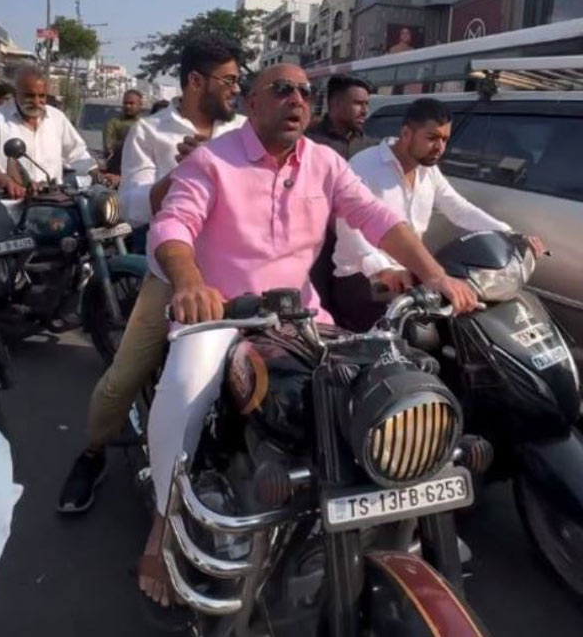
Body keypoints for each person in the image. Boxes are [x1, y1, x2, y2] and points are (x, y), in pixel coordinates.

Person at [135, 64, 479, 608]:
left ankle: (396, 513)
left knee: (382, 385)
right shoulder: (212, 161)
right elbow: (173, 225)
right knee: (182, 392)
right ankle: (163, 522)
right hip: (223, 315)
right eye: (282, 89)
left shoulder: (324, 163)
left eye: (305, 92)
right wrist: (191, 282)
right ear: (251, 103)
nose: (297, 99)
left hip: (302, 317)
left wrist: (433, 274)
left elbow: (377, 217)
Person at [59, 36, 247, 514]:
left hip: (243, 276)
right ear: (195, 82)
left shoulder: (246, 129)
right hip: (171, 278)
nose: (235, 89)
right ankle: (92, 453)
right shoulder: (150, 132)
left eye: (239, 80)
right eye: (228, 81)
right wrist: (185, 170)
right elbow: (136, 207)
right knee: (122, 380)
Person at [330, 97, 545, 331]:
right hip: (363, 279)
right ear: (406, 133)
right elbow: (347, 226)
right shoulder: (365, 165)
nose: (440, 147)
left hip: (410, 275)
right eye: (432, 138)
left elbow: (459, 209)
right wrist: (383, 269)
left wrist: (511, 234)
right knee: (387, 356)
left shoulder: (428, 171)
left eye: (444, 139)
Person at [307, 74, 376, 310]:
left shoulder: (372, 148)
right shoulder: (309, 144)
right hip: (317, 245)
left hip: (357, 246)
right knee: (317, 306)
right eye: (358, 103)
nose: (365, 110)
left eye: (367, 103)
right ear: (335, 104)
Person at [0, 67, 101, 186]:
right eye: (29, 95)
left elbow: (76, 152)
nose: (36, 102)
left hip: (51, 202)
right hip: (9, 203)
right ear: (16, 93)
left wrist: (95, 172)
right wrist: (9, 182)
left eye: (41, 96)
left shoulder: (57, 118)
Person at [102, 89, 144, 178]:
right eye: (125, 103)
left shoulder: (145, 124)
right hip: (117, 171)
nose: (128, 106)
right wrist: (130, 140)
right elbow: (108, 147)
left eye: (131, 103)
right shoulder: (114, 122)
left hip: (140, 171)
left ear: (140, 105)